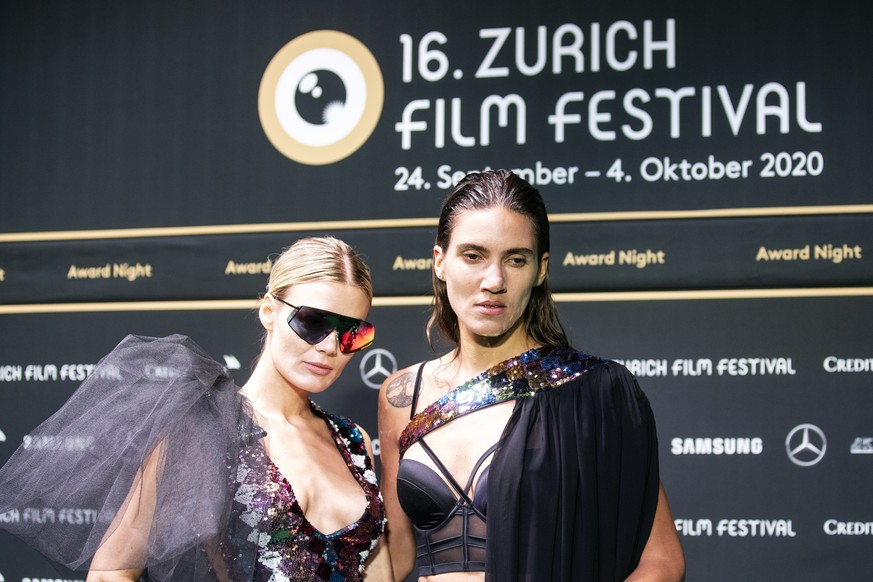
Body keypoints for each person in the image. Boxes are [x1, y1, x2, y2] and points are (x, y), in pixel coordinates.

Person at [0, 236, 393, 582]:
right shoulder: (203, 425)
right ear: (269, 311)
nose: (329, 346)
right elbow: (110, 573)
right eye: (312, 322)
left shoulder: (353, 442)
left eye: (351, 332)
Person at [378, 171, 685, 581]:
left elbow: (662, 562)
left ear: (540, 269)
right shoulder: (401, 395)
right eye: (473, 256)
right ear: (440, 263)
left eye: (515, 259)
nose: (494, 281)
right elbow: (396, 553)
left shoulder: (593, 391)